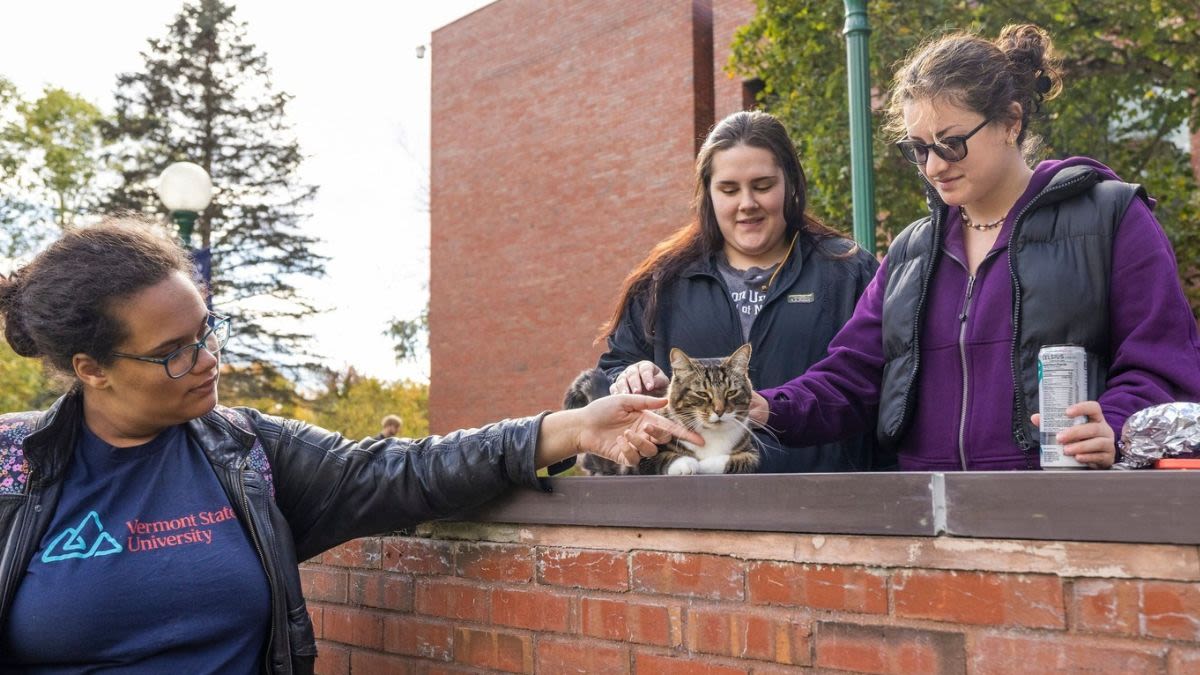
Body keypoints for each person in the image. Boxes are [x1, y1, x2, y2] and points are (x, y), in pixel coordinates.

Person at [0, 218, 699, 671]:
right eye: (173, 352)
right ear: (92, 369)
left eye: (206, 331)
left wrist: (575, 426)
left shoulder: (246, 453)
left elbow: (407, 469)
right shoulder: (12, 472)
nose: (209, 359)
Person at [749, 24, 1200, 471]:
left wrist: (1115, 426)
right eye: (919, 149)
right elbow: (850, 380)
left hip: (1069, 514)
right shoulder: (911, 253)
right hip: (932, 521)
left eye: (952, 143)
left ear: (1011, 122)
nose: (935, 165)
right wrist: (758, 408)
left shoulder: (1112, 217)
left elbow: (1161, 361)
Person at [598, 110, 883, 472]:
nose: (747, 203)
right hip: (692, 514)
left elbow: (875, 386)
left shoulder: (848, 272)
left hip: (824, 509)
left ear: (791, 184)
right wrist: (628, 376)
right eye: (729, 189)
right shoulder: (662, 281)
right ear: (709, 195)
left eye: (763, 186)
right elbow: (608, 376)